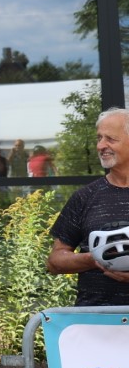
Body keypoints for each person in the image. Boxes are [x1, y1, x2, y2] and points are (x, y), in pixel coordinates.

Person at [47, 107, 129, 306]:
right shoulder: (85, 197)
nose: (101, 145)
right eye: (99, 138)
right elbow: (54, 261)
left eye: (110, 139)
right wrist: (95, 258)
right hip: (95, 320)